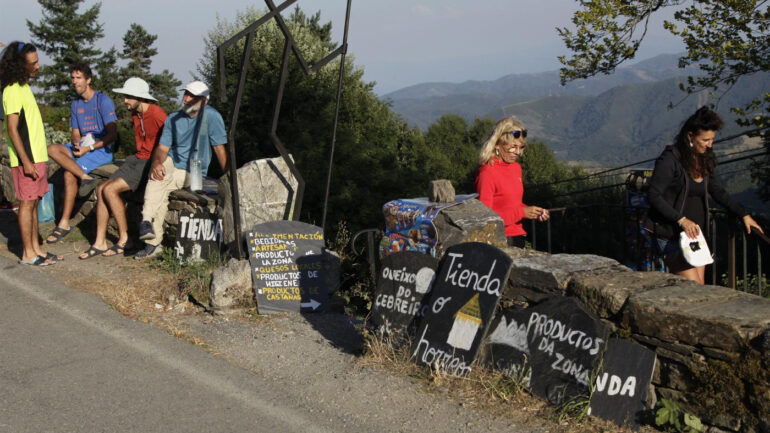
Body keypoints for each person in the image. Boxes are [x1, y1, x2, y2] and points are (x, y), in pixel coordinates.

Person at [647, 106, 764, 284]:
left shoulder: (703, 158)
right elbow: (654, 195)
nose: (710, 145)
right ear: (690, 136)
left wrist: (743, 214)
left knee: (699, 287)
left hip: (695, 236)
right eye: (705, 140)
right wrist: (681, 219)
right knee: (694, 289)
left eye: (712, 140)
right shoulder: (670, 160)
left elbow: (717, 191)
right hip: (672, 234)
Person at [134, 80, 229, 259]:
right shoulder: (173, 118)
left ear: (204, 101)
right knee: (158, 174)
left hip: (196, 168)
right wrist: (156, 164)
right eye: (185, 94)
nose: (186, 98)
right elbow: (162, 149)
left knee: (161, 186)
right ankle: (147, 223)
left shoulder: (212, 116)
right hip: (173, 161)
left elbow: (219, 149)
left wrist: (228, 177)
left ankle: (152, 242)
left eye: (192, 96)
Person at [78, 77, 167, 259]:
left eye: (128, 97)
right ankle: (100, 241)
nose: (125, 100)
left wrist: (160, 163)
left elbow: (170, 140)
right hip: (136, 158)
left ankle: (126, 239)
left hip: (149, 161)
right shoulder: (136, 114)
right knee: (102, 188)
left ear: (139, 97)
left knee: (110, 190)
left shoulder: (158, 114)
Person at [0, 41, 61, 265]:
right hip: (27, 159)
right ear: (20, 65)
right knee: (26, 204)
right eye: (33, 63)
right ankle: (28, 254)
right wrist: (25, 161)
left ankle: (37, 250)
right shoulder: (12, 90)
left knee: (34, 203)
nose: (38, 66)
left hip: (37, 157)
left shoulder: (24, 87)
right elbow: (13, 130)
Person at [46, 63, 118, 244]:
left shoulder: (103, 101)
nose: (74, 81)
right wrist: (77, 143)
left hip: (100, 150)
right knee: (51, 149)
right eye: (72, 78)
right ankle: (85, 177)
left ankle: (63, 223)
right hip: (83, 148)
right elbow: (75, 132)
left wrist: (89, 148)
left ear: (88, 80)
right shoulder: (76, 104)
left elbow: (112, 134)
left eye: (78, 78)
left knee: (69, 173)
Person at [475, 116, 550, 248]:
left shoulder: (516, 168)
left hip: (517, 237)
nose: (518, 152)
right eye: (513, 147)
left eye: (521, 147)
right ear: (498, 144)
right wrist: (522, 213)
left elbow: (511, 203)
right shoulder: (487, 173)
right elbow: (485, 218)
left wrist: (531, 211)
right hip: (499, 240)